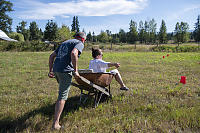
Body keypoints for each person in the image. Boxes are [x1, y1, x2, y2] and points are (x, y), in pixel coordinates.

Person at [48, 32, 86, 130]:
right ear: (82, 39)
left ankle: (60, 109)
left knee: (62, 92)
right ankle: (55, 125)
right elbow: (74, 53)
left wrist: (50, 70)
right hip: (65, 71)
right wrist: (76, 70)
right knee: (62, 96)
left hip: (57, 70)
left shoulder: (65, 43)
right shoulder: (79, 43)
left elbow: (52, 56)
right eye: (84, 40)